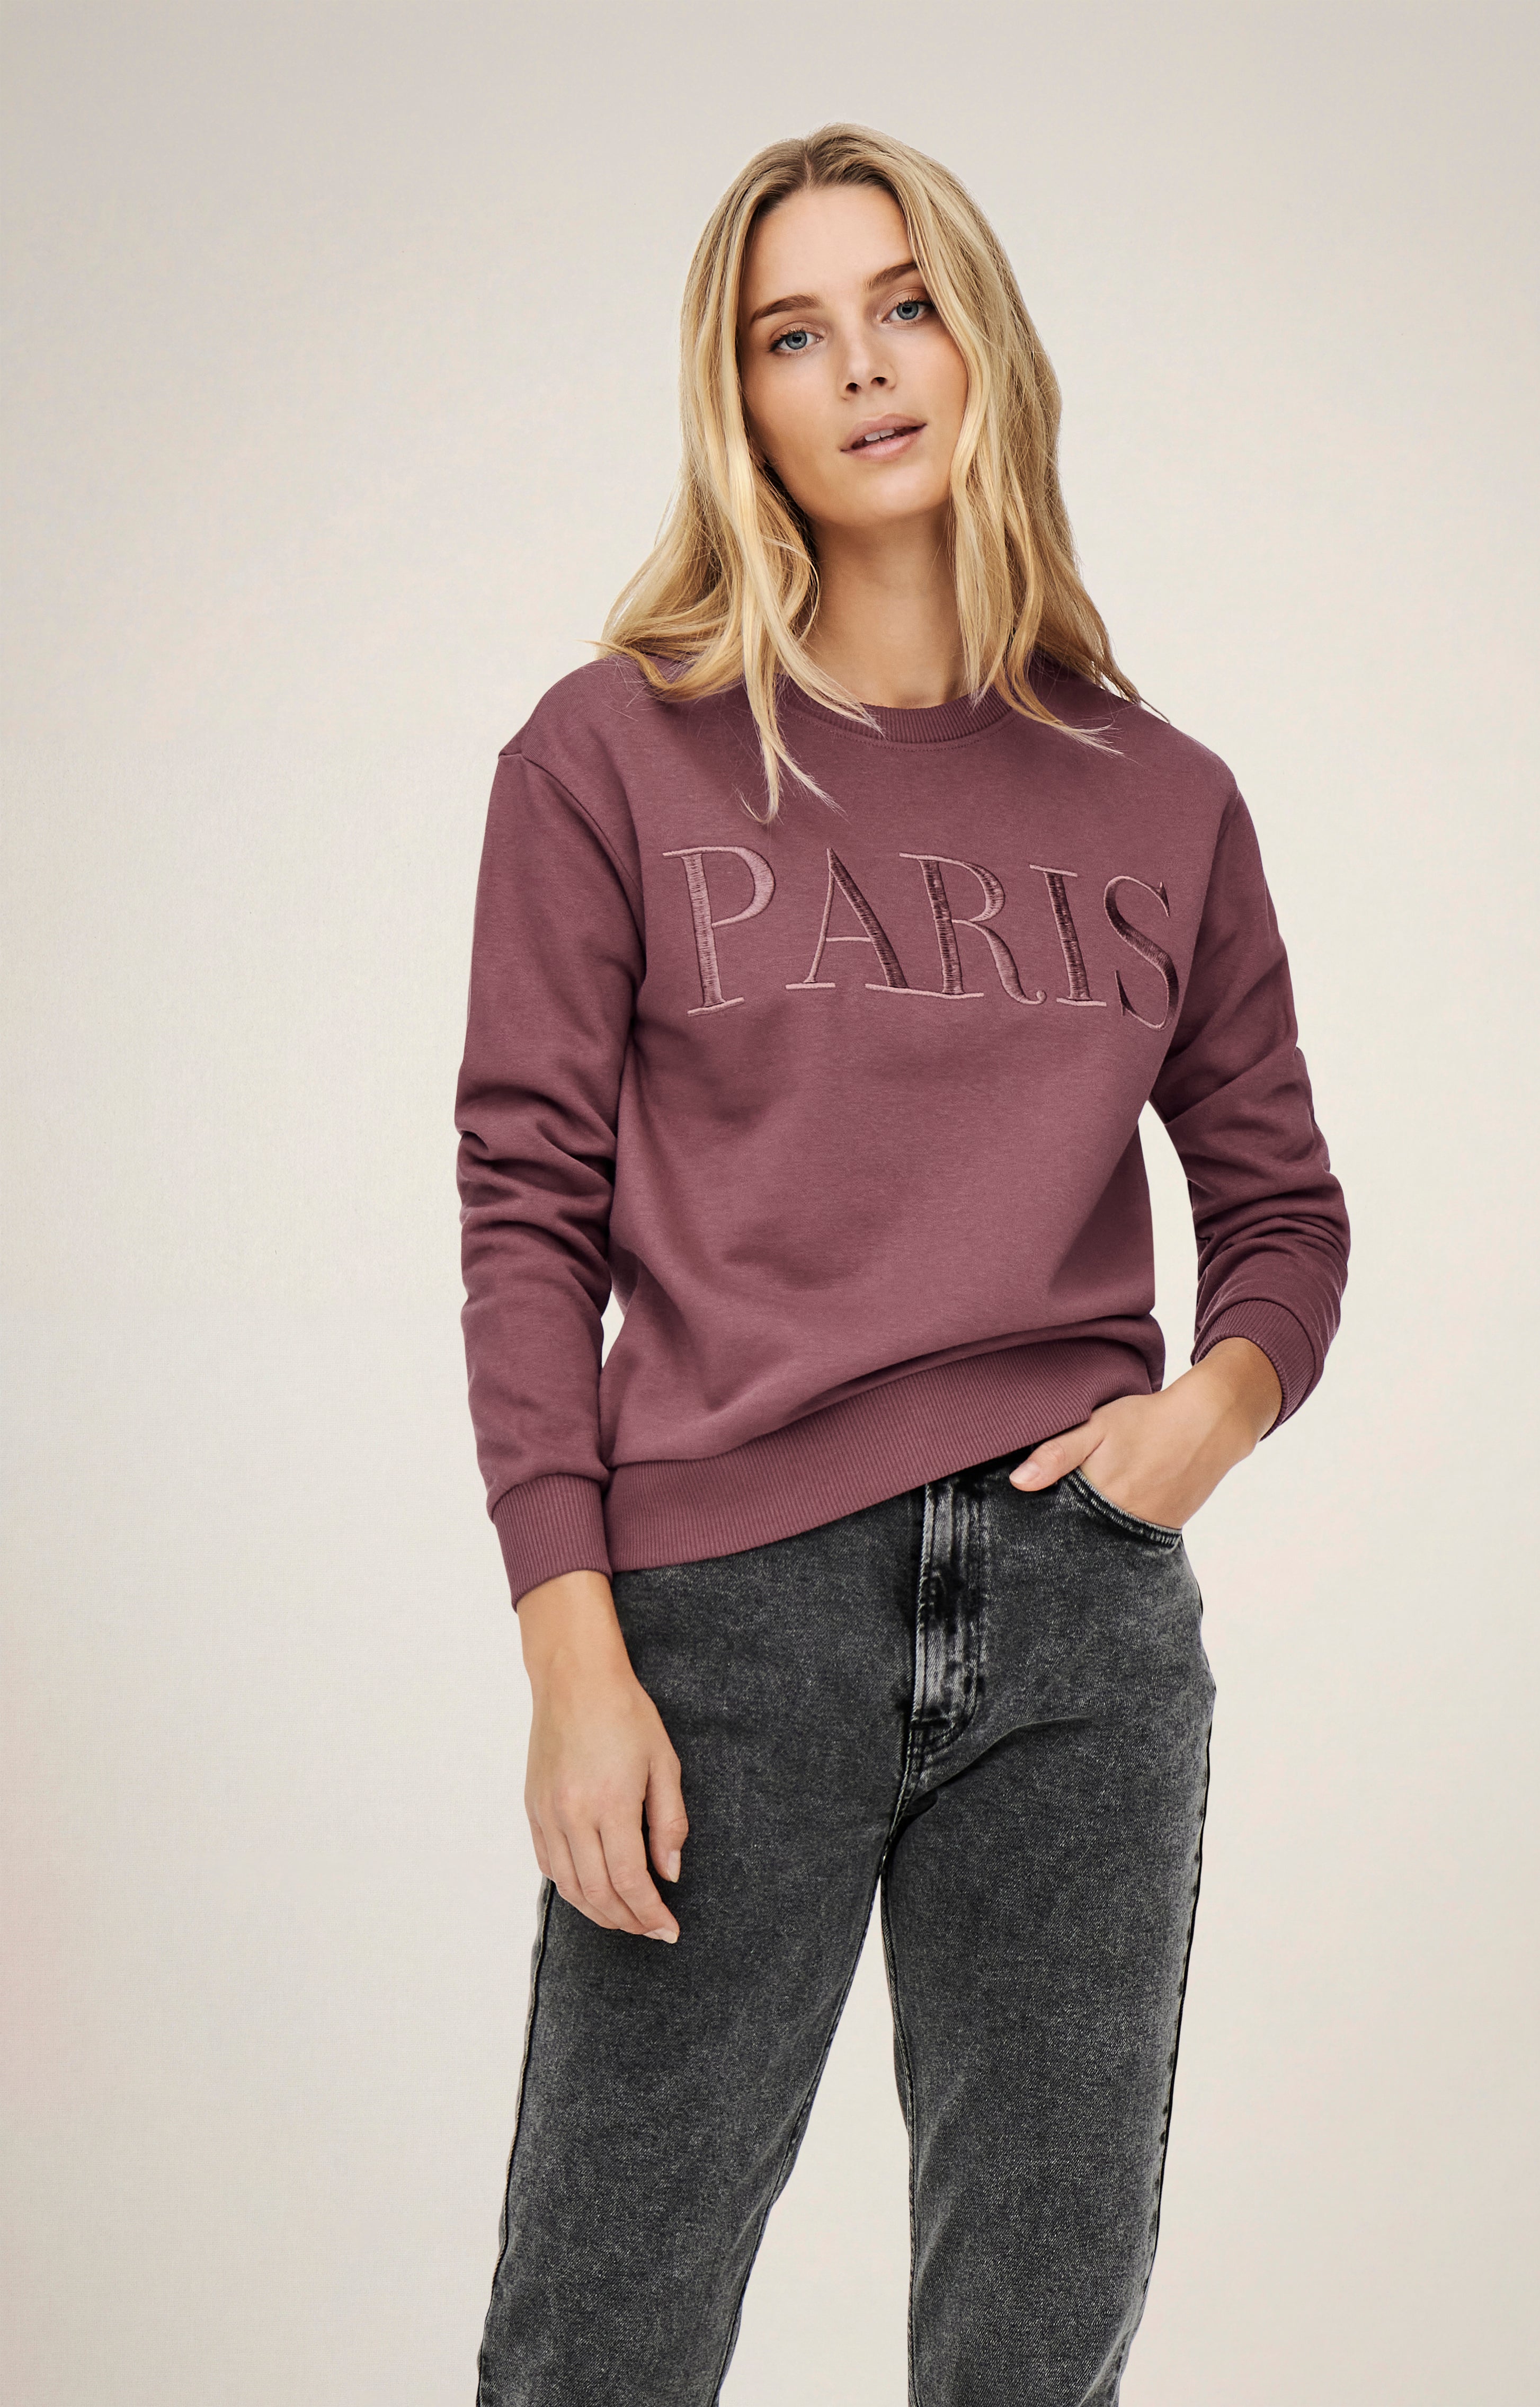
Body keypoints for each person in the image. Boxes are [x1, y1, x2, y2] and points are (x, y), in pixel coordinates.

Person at [453, 121, 1350, 2407]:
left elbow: (1281, 1207)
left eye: (906, 304)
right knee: (597, 2342)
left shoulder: (1164, 794)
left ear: (984, 345)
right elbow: (526, 1204)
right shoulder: (610, 754)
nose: (861, 365)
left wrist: (1205, 1424)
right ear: (739, 400)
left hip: (1078, 1628)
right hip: (719, 1633)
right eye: (794, 332)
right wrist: (572, 1645)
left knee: (1034, 2359)